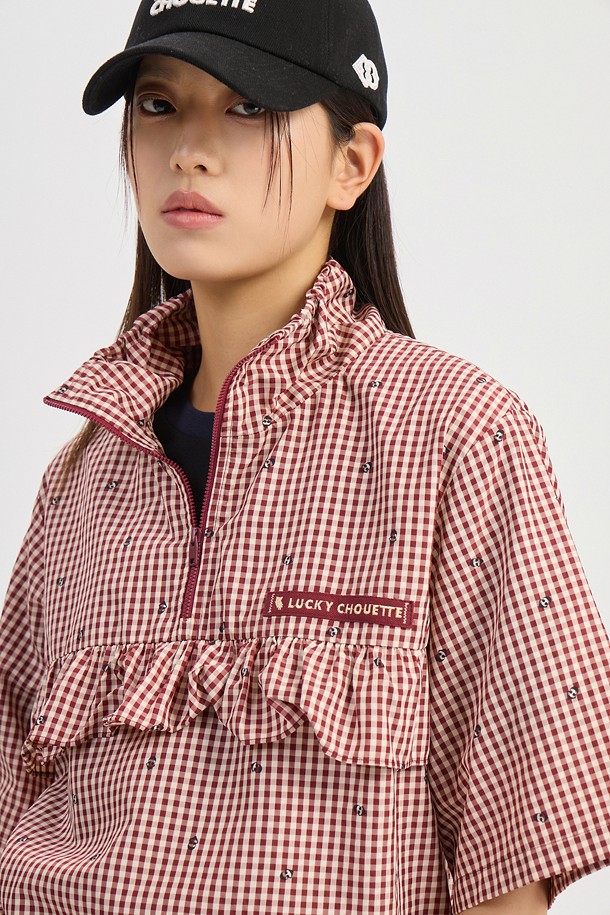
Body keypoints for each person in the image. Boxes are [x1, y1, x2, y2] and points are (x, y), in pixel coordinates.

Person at [1, 1, 609, 913]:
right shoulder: (85, 472)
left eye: (248, 107)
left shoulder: (458, 435)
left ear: (352, 163)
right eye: (159, 105)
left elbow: (513, 852)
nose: (189, 150)